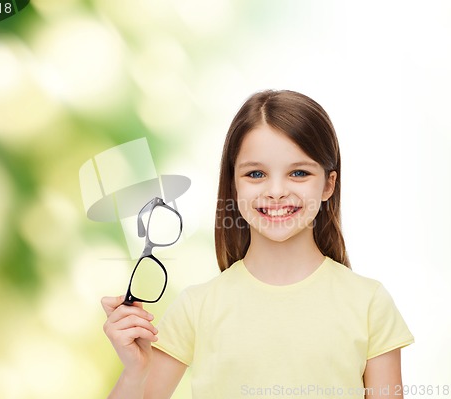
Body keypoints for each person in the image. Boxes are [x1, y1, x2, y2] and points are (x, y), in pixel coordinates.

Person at [101, 90, 414, 399]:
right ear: (233, 183)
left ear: (328, 184)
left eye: (299, 173)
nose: (276, 191)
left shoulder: (369, 303)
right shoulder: (196, 308)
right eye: (256, 173)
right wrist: (134, 372)